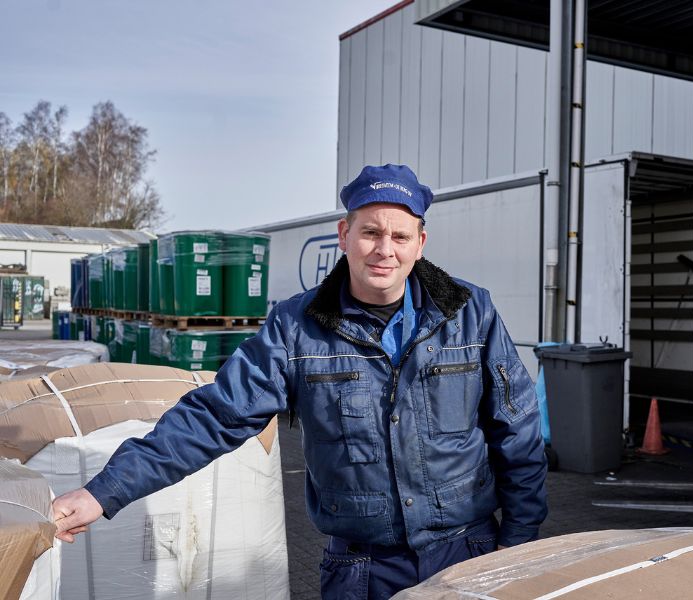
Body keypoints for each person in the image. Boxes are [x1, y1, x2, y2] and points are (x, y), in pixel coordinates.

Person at [52, 163, 549, 598]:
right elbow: (216, 416)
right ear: (344, 234)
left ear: (420, 243)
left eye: (399, 236)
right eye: (370, 232)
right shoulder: (296, 326)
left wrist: (519, 542)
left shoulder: (470, 313)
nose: (384, 250)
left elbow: (517, 430)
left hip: (468, 553)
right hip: (363, 569)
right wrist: (104, 492)